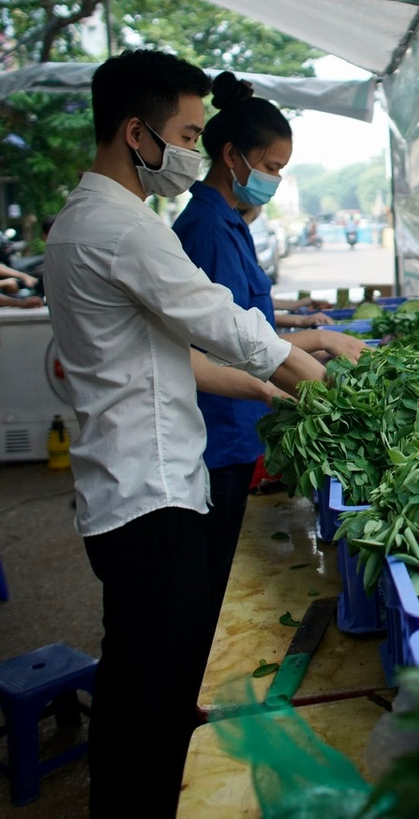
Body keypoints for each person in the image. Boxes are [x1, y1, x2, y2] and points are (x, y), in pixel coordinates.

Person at [42, 49, 330, 817]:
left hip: (126, 491)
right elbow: (224, 324)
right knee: (152, 695)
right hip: (149, 497)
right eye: (188, 133)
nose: (193, 152)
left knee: (144, 683)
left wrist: (276, 381)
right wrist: (318, 375)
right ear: (137, 133)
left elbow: (172, 360)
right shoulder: (120, 228)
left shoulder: (87, 221)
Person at [172, 71, 366, 631]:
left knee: (219, 565)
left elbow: (247, 314)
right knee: (213, 577)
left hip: (239, 419)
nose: (275, 180)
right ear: (232, 156)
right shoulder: (207, 228)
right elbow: (232, 342)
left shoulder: (226, 222)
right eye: (272, 167)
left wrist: (304, 330)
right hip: (222, 425)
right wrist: (321, 340)